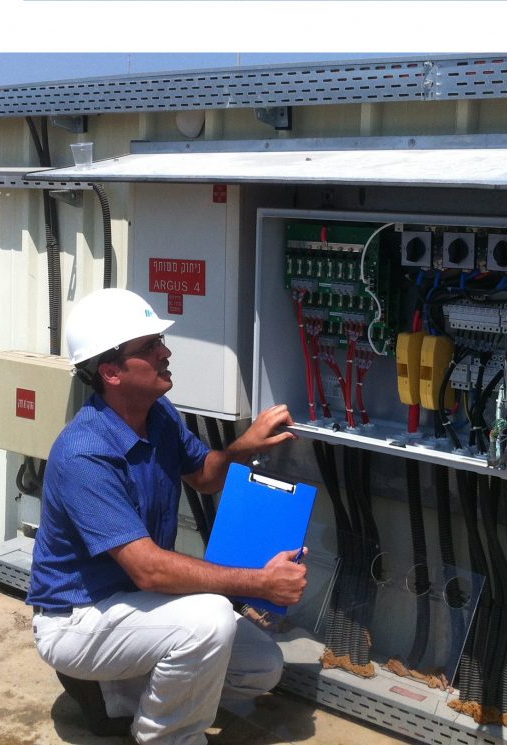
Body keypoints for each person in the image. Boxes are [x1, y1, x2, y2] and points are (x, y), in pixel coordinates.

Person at [26, 287, 307, 745]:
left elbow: (204, 477)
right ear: (111, 372)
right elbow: (149, 569)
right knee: (210, 620)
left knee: (261, 667)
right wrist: (261, 583)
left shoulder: (157, 415)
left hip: (135, 604)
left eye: (160, 340)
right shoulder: (85, 453)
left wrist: (243, 446)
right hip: (78, 618)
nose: (166, 352)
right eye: (150, 346)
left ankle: (114, 695)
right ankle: (166, 737)